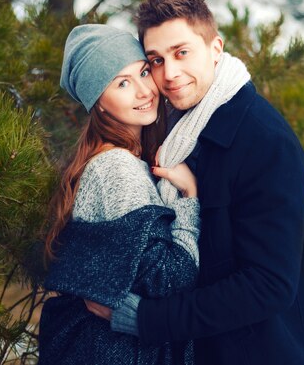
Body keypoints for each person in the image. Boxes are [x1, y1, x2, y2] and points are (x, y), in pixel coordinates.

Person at [86, 0, 304, 365]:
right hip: (206, 349)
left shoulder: (264, 142)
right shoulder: (177, 130)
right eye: (156, 59)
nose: (169, 74)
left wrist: (150, 318)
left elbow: (269, 285)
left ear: (215, 48)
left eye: (182, 52)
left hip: (264, 353)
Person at [38, 24, 200, 365]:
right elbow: (168, 276)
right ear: (98, 102)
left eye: (143, 72)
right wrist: (189, 197)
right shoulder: (117, 169)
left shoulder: (117, 160)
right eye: (123, 83)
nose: (144, 91)